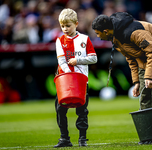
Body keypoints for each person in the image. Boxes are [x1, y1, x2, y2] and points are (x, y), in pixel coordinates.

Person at [92, 12, 152, 144]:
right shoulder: (115, 37)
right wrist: (137, 82)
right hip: (143, 58)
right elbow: (131, 58)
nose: (97, 36)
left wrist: (149, 76)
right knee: (144, 94)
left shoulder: (134, 32)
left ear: (105, 31)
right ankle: (148, 136)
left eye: (98, 33)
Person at [54, 8, 97, 147]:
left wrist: (77, 60)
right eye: (62, 26)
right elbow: (61, 61)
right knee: (60, 109)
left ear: (76, 24)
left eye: (68, 25)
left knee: (82, 111)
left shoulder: (84, 39)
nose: (65, 29)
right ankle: (64, 138)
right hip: (65, 82)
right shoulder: (59, 41)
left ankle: (82, 139)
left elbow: (94, 58)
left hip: (82, 82)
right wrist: (69, 75)